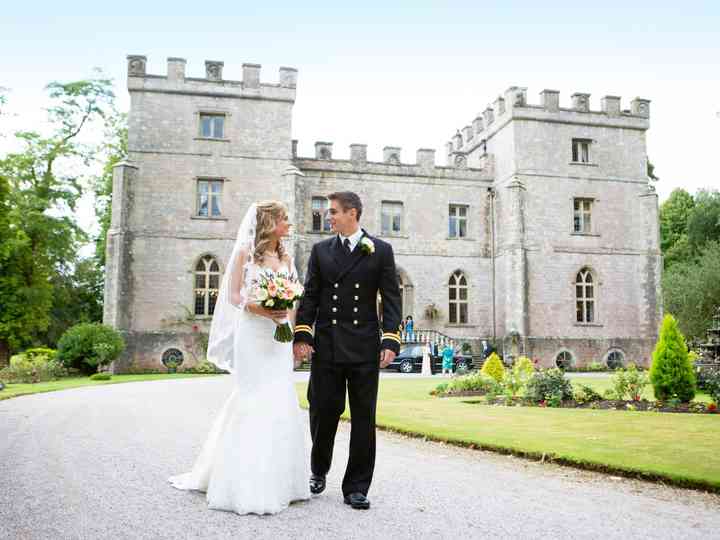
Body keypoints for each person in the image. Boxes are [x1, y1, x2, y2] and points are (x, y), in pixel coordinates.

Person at [169, 201, 310, 515]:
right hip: (252, 333)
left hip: (277, 336)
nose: (288, 222)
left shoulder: (286, 257)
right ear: (268, 222)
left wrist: (287, 320)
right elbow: (232, 296)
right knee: (252, 397)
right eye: (283, 218)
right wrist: (261, 309)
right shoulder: (245, 253)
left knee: (280, 399)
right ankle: (242, 481)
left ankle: (282, 481)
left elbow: (294, 296)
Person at [293, 191, 401, 510]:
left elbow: (392, 299)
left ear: (352, 213)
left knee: (364, 419)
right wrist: (303, 334)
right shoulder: (321, 250)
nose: (329, 217)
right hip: (327, 345)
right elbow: (310, 296)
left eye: (334, 212)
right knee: (322, 411)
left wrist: (391, 339)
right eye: (329, 213)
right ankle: (318, 469)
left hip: (365, 346)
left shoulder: (380, 250)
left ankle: (356, 486)